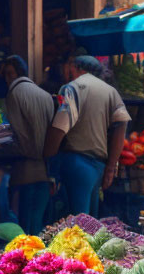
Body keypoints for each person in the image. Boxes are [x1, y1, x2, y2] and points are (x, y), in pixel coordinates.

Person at [44, 54, 131, 216]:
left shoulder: (71, 88)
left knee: (78, 223)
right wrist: (111, 167)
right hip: (98, 166)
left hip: (76, 162)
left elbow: (61, 125)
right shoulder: (111, 92)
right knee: (91, 221)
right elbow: (121, 126)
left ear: (76, 68)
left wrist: (48, 157)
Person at [1, 56, 54, 235]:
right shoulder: (44, 95)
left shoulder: (14, 94)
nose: (7, 78)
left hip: (25, 170)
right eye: (5, 74)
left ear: (19, 73)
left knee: (25, 227)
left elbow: (17, 132)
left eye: (10, 73)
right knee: (37, 224)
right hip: (44, 170)